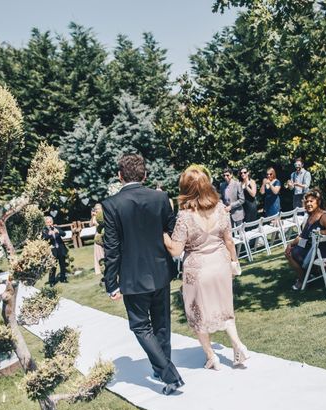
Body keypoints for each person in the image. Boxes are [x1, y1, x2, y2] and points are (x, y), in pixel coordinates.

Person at [103, 153, 184, 396]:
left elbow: (112, 247)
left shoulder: (111, 204)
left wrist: (111, 283)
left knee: (141, 327)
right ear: (145, 175)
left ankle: (167, 373)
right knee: (161, 325)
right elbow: (171, 227)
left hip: (132, 277)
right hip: (160, 271)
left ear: (119, 176)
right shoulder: (160, 197)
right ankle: (163, 369)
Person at [163, 166, 249, 369]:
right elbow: (229, 241)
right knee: (225, 308)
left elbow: (175, 250)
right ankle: (237, 345)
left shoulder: (184, 216)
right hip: (221, 265)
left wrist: (162, 234)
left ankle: (212, 357)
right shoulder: (220, 207)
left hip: (198, 269)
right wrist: (233, 263)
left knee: (197, 313)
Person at [284, 189, 326, 291]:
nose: (308, 204)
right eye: (307, 202)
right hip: (310, 245)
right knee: (290, 250)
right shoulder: (310, 216)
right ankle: (307, 274)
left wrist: (320, 232)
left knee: (291, 254)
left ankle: (303, 279)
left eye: (311, 201)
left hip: (320, 249)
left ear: (318, 202)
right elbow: (302, 236)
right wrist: (290, 244)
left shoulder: (323, 216)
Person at [42, 217, 68, 285]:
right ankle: (52, 281)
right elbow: (44, 238)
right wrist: (49, 235)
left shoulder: (56, 227)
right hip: (52, 250)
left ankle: (63, 278)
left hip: (60, 248)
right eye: (47, 222)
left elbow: (64, 233)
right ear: (45, 223)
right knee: (53, 266)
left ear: (52, 222)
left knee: (62, 264)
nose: (49, 224)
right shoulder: (44, 230)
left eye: (50, 222)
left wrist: (58, 231)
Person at [91, 204, 105, 275]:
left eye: (98, 208)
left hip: (103, 233)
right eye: (96, 209)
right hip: (97, 234)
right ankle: (100, 267)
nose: (97, 210)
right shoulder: (95, 216)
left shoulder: (103, 215)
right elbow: (91, 224)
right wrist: (93, 216)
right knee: (98, 251)